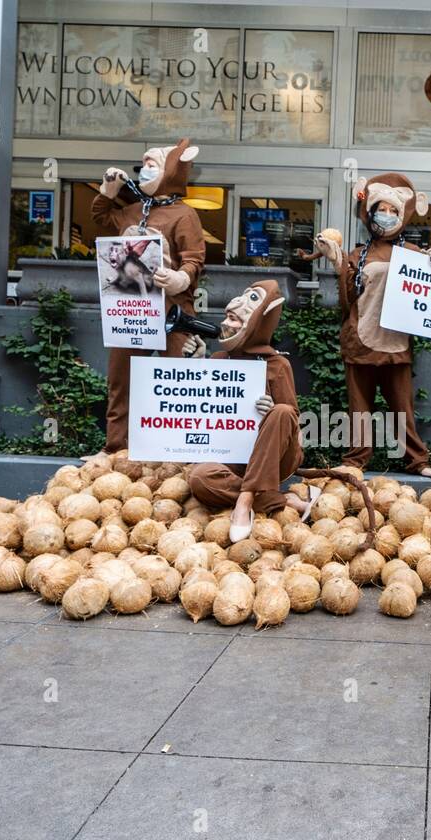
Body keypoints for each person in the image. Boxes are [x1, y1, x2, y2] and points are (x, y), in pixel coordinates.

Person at [318, 173, 431, 479]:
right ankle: (354, 462)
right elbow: (347, 303)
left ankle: (418, 461)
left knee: (402, 408)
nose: (386, 216)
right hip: (360, 341)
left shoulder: (416, 255)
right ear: (369, 212)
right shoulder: (357, 255)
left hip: (396, 345)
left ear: (403, 216)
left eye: (393, 211)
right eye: (381, 209)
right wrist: (340, 265)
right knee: (359, 409)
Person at [93, 140, 207, 454]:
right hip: (131, 307)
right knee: (121, 379)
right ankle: (117, 447)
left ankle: (177, 449)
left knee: (177, 378)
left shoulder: (185, 215)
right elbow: (102, 219)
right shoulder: (131, 210)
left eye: (153, 163)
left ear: (170, 171)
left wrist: (180, 278)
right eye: (143, 163)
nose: (144, 168)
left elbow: (195, 258)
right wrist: (108, 190)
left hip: (173, 310)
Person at [182, 281, 309, 540]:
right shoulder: (218, 360)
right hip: (231, 461)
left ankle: (244, 502)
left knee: (283, 411)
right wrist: (196, 370)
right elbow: (199, 410)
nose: (235, 307)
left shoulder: (278, 364)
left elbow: (292, 424)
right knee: (199, 479)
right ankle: (277, 499)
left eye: (251, 299)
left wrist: (272, 412)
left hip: (273, 460)